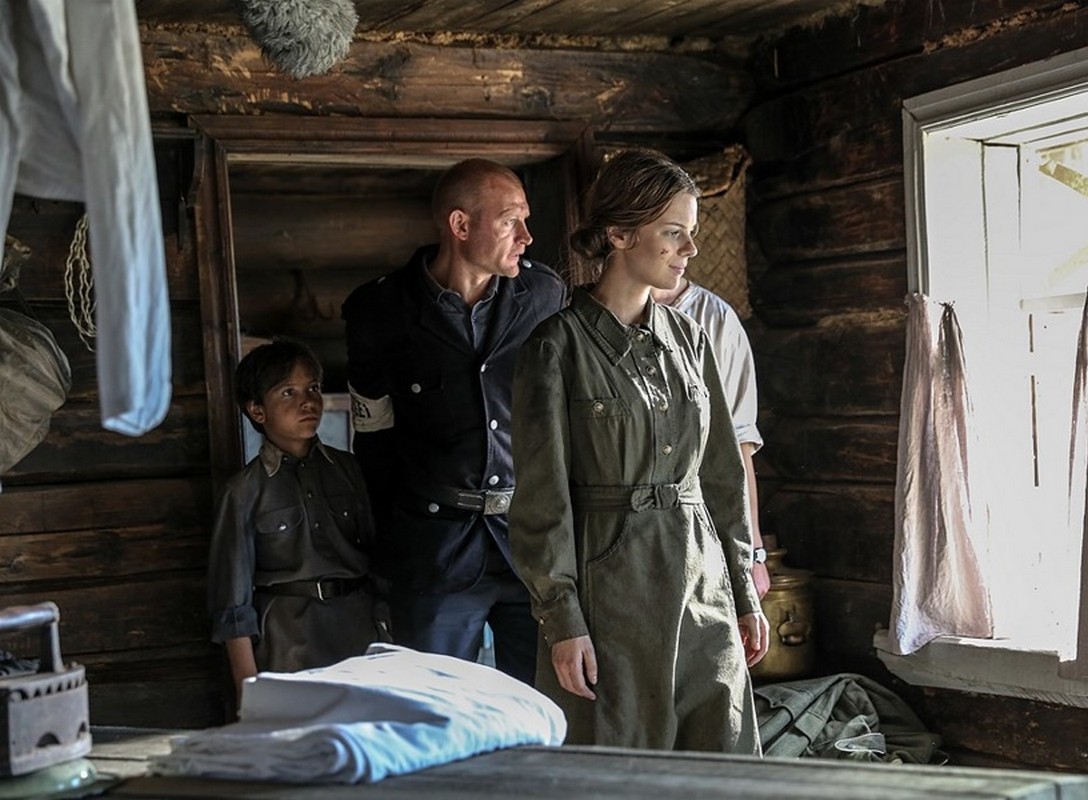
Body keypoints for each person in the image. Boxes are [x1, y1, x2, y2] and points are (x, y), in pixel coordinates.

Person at [508, 148, 769, 752]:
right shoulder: (556, 348)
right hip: (611, 594)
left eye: (692, 233)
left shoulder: (692, 340)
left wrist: (742, 590)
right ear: (620, 235)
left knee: (724, 766)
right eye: (674, 233)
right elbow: (542, 504)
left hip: (703, 588)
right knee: (620, 767)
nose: (690, 249)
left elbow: (722, 477)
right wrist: (563, 620)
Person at [341, 159, 567, 686]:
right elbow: (373, 437)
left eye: (526, 220)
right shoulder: (379, 310)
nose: (527, 237)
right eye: (510, 221)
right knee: (438, 707)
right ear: (460, 225)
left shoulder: (545, 296)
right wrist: (394, 546)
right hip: (433, 553)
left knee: (540, 710)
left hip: (532, 550)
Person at [207, 338, 382, 705]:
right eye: (288, 392)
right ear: (257, 411)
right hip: (286, 644)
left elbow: (380, 562)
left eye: (313, 388)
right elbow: (233, 606)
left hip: (359, 635)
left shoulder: (350, 470)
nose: (308, 402)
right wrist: (249, 692)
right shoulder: (243, 492)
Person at [651, 278, 771, 598]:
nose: (689, 252)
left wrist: (753, 552)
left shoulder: (715, 319)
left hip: (704, 525)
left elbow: (739, 444)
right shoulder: (597, 317)